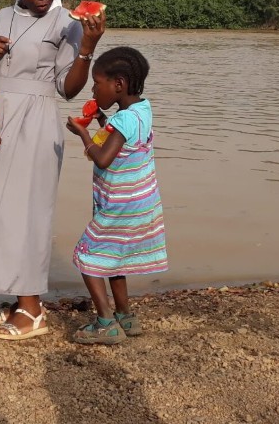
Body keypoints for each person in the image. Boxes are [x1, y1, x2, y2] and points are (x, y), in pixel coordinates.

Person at [0, 0, 105, 341]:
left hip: (35, 121)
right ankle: (17, 298)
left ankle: (32, 311)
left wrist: (87, 48)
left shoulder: (67, 22)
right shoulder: (1, 16)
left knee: (28, 212)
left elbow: (68, 88)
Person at [65, 46, 168, 344]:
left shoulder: (122, 120)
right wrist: (99, 121)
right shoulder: (141, 110)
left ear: (119, 84)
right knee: (114, 258)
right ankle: (126, 315)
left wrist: (82, 134)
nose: (94, 90)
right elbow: (121, 142)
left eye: (97, 84)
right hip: (142, 203)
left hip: (120, 205)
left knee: (87, 256)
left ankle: (106, 323)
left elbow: (103, 159)